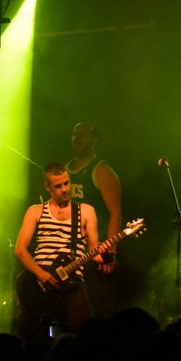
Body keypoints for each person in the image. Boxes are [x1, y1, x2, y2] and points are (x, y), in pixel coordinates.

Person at [14, 162, 108, 340]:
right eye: (58, 186)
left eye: (67, 183)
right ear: (48, 187)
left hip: (72, 283)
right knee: (27, 339)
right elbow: (20, 251)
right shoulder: (35, 211)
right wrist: (41, 274)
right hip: (39, 284)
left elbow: (94, 252)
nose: (65, 189)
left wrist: (107, 255)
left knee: (84, 337)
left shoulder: (86, 211)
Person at [66, 122, 121, 317]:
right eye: (75, 133)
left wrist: (109, 253)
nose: (78, 137)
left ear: (94, 141)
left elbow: (115, 213)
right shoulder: (64, 173)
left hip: (95, 254)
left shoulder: (101, 171)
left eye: (84, 134)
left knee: (96, 312)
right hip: (68, 255)